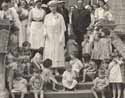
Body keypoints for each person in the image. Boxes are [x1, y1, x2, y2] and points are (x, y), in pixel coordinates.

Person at [44, 0, 66, 68]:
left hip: (57, 36)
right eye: (51, 7)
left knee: (57, 52)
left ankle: (56, 68)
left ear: (56, 7)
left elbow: (63, 28)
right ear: (49, 8)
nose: (53, 8)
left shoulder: (60, 16)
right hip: (49, 37)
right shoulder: (47, 16)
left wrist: (61, 37)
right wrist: (45, 33)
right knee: (50, 52)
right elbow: (44, 26)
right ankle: (49, 67)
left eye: (54, 7)